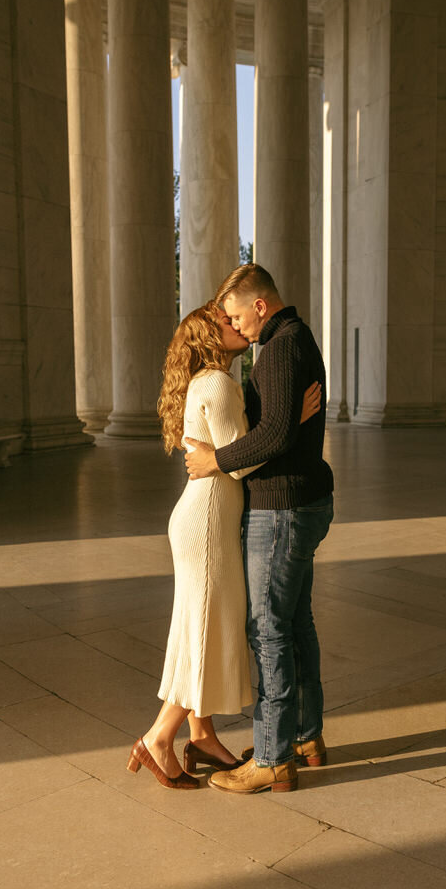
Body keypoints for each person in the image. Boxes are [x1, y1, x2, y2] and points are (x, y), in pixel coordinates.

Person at [127, 301, 320, 790]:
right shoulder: (216, 382)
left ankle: (202, 735)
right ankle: (158, 737)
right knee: (205, 629)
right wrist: (290, 420)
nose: (232, 323)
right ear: (208, 339)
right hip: (209, 519)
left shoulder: (208, 382)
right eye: (222, 321)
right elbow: (241, 461)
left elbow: (228, 452)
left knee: (200, 623)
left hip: (202, 515)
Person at [184, 264, 334, 795]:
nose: (234, 323)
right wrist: (286, 425)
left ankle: (272, 757)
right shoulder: (298, 338)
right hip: (302, 501)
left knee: (268, 629)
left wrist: (215, 460)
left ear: (260, 306)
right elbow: (278, 427)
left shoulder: (278, 348)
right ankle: (303, 737)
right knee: (295, 624)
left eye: (236, 313)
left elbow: (269, 437)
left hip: (281, 507)